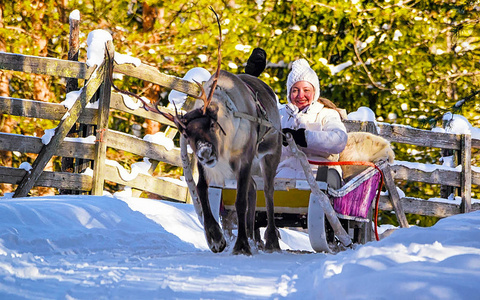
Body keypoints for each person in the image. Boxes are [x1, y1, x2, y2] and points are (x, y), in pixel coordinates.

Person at [277, 58, 348, 188]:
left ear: (314, 92)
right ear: (289, 93)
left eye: (306, 90)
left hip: (320, 170)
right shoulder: (280, 115)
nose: (300, 95)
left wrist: (303, 137)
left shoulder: (326, 114)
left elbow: (339, 140)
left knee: (319, 188)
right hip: (285, 172)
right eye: (295, 90)